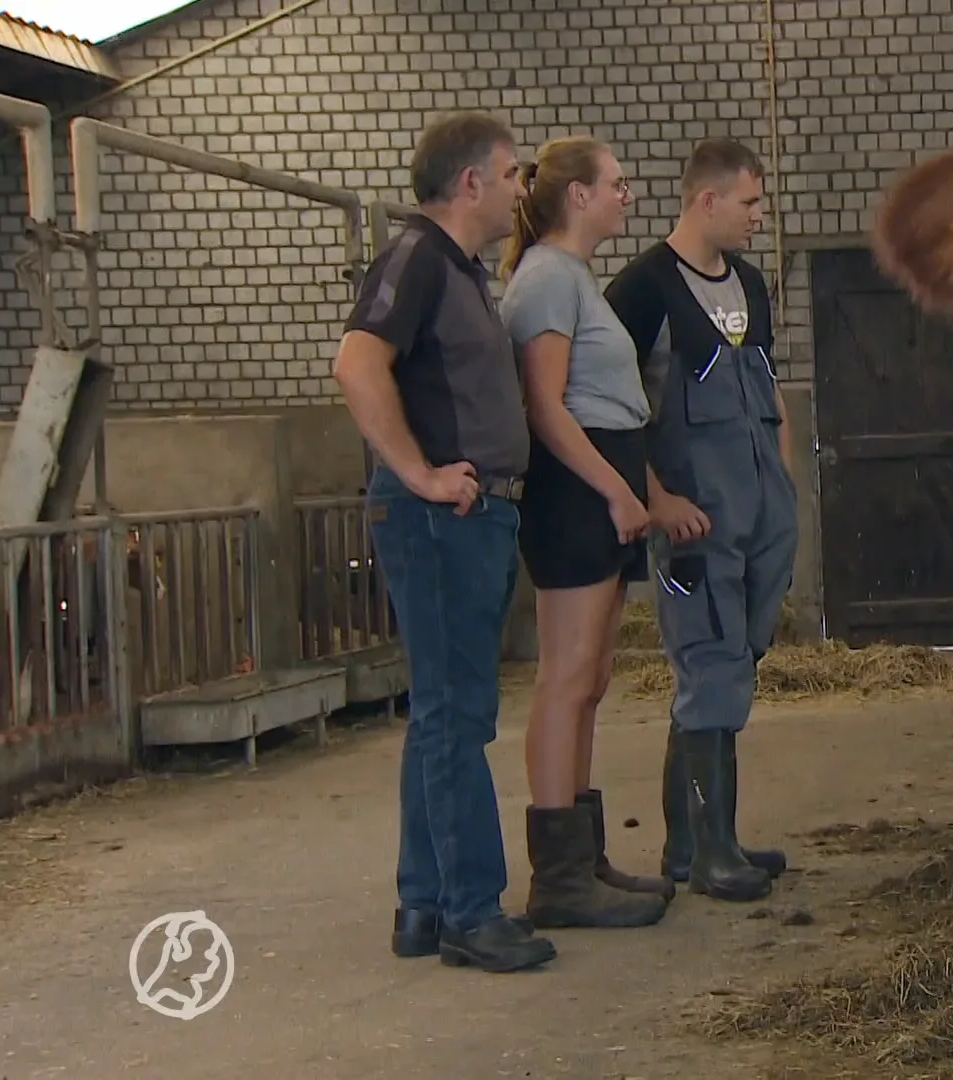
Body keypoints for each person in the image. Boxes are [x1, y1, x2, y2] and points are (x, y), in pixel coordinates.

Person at [331, 111, 555, 973]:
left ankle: (423, 903)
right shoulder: (417, 258)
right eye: (509, 176)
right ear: (469, 184)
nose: (517, 191)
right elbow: (357, 364)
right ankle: (470, 909)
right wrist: (422, 474)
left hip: (473, 513)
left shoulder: (457, 270)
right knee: (456, 716)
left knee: (445, 714)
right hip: (440, 516)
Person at [603, 138, 796, 904]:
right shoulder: (644, 290)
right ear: (705, 200)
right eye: (749, 202)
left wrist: (780, 479)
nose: (759, 216)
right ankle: (711, 852)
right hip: (690, 524)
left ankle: (694, 843)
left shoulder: (749, 283)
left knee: (734, 664)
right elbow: (613, 414)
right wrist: (656, 499)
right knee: (708, 667)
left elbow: (769, 388)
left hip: (757, 516)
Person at [496, 135, 673, 930]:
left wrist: (636, 487)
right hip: (577, 486)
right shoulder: (544, 281)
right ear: (577, 196)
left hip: (606, 475)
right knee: (567, 675)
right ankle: (559, 878)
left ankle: (583, 850)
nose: (625, 195)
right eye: (616, 183)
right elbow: (546, 407)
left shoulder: (574, 278)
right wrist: (614, 491)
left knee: (593, 674)